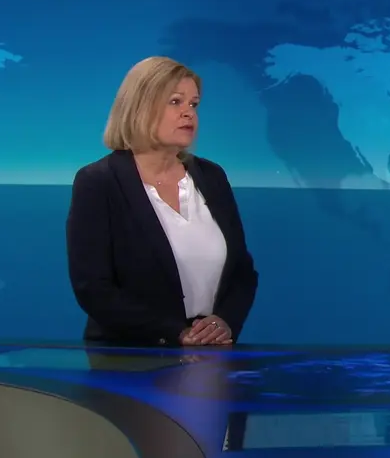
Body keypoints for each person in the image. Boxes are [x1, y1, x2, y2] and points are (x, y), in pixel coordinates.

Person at [66, 56, 259, 347]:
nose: (188, 113)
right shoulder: (98, 182)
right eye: (175, 102)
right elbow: (93, 287)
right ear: (140, 107)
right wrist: (175, 333)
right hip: (129, 356)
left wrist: (224, 322)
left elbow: (242, 272)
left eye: (194, 104)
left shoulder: (212, 177)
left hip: (209, 354)